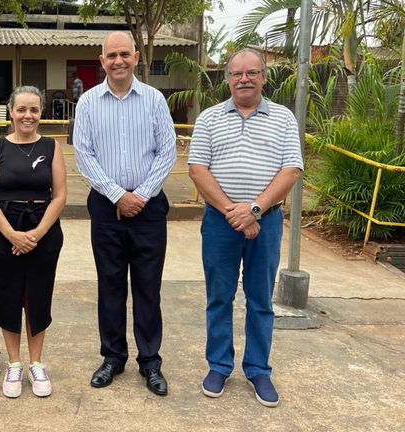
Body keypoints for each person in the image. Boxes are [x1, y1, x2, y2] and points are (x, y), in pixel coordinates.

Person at [188, 48, 303, 408]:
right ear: (227, 78)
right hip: (220, 224)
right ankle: (219, 365)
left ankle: (258, 369)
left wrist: (254, 210)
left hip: (266, 223)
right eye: (237, 74)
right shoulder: (209, 119)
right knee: (219, 297)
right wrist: (233, 213)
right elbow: (197, 169)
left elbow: (292, 170)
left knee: (260, 299)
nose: (244, 79)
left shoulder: (283, 119)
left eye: (252, 72)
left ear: (264, 77)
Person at [72, 31, 176, 396]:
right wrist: (118, 195)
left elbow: (167, 151)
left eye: (124, 54)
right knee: (111, 284)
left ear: (136, 58)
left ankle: (150, 362)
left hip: (148, 208)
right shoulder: (86, 103)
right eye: (111, 55)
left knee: (148, 286)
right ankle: (113, 356)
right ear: (102, 61)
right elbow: (84, 156)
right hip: (105, 206)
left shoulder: (153, 99)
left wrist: (141, 195)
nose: (118, 60)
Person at [0, 86, 67, 398]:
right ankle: (14, 364)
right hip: (3, 233)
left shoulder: (52, 146)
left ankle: (37, 363)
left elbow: (60, 196)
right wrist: (12, 234)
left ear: (40, 113)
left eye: (33, 110)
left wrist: (36, 234)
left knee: (37, 297)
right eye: (21, 110)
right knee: (7, 296)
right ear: (11, 112)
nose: (27, 116)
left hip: (42, 233)